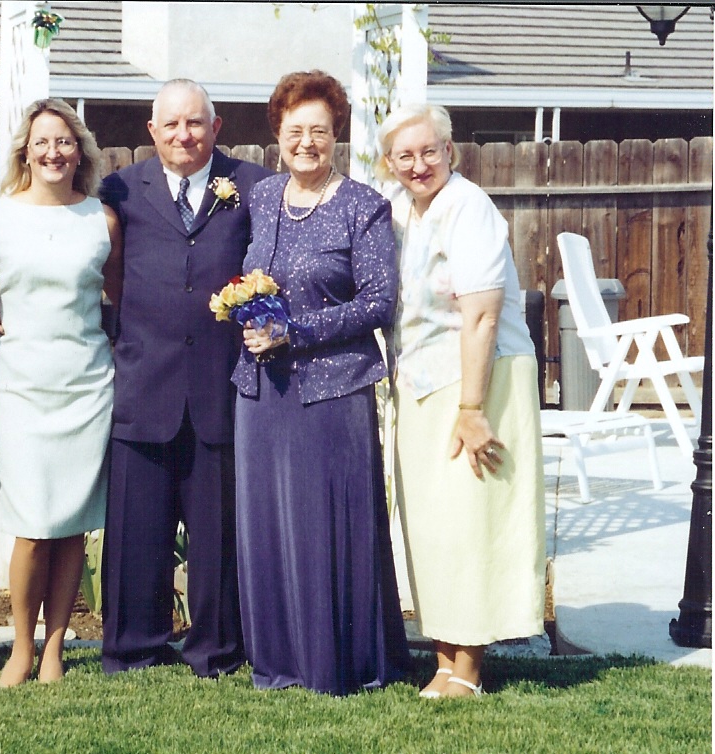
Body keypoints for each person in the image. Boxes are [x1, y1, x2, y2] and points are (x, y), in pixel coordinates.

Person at [234, 70, 408, 694]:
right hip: (260, 394)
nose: (306, 142)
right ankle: (277, 661)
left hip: (334, 392)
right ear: (276, 134)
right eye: (294, 130)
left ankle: (341, 661)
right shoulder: (261, 197)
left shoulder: (363, 205)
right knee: (269, 527)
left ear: (337, 136)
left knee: (328, 525)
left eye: (320, 131)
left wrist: (294, 333)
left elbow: (378, 302)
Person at [99, 79, 272, 677]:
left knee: (217, 533)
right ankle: (133, 648)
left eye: (195, 123)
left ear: (216, 128)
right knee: (135, 530)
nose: (183, 135)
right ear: (152, 132)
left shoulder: (251, 186)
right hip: (143, 381)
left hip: (219, 386)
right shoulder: (120, 188)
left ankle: (215, 649)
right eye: (170, 125)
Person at [377, 103, 545, 699]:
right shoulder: (402, 211)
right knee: (435, 526)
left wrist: (472, 410)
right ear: (389, 163)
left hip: (479, 379)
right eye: (405, 155)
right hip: (423, 382)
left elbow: (481, 315)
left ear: (451, 151)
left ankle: (468, 668)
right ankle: (444, 659)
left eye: (430, 151)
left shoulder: (468, 206)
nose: (419, 164)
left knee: (472, 517)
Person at [0, 99, 122, 687]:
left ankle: (56, 648)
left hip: (86, 384)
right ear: (24, 150)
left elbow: (119, 299)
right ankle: (20, 647)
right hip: (18, 387)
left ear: (79, 151)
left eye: (64, 141)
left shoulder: (102, 221)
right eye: (42, 141)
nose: (53, 152)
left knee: (71, 524)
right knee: (32, 521)